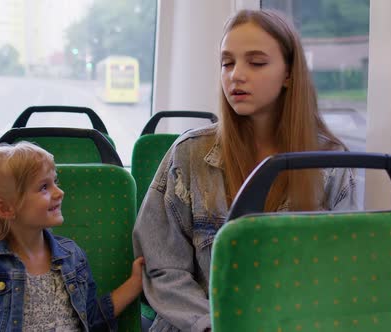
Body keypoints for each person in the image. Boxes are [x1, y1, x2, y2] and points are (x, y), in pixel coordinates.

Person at [133, 9, 358, 332]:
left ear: (289, 74)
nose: (236, 75)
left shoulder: (331, 165)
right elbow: (162, 269)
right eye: (227, 63)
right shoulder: (189, 155)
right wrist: (215, 325)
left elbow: (338, 274)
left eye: (256, 62)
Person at [0, 141, 144, 332]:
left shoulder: (72, 256)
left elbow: (91, 320)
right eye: (44, 187)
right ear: (5, 208)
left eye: (55, 181)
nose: (59, 192)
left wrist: (134, 284)